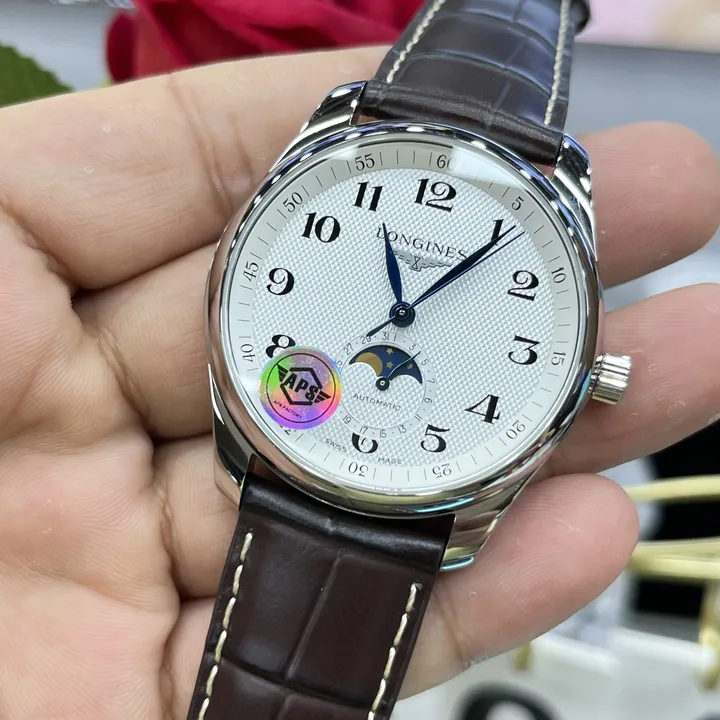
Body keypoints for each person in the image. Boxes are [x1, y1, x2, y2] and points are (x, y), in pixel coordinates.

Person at [0, 47, 718, 718]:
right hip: (279, 450)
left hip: (414, 491)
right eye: (401, 307)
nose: (402, 316)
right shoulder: (339, 161)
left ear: (590, 376)